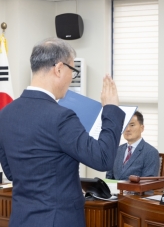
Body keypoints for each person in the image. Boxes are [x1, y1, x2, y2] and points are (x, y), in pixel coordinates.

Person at [0, 37, 125, 227]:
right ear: (58, 69)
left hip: (21, 220)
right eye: (72, 71)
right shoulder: (61, 117)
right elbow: (103, 158)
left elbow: (10, 172)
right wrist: (110, 109)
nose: (71, 78)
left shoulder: (5, 113)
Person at [106, 111, 159, 180]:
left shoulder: (151, 152)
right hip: (115, 190)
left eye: (132, 125)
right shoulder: (116, 150)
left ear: (142, 128)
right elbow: (109, 178)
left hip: (136, 190)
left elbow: (148, 182)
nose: (127, 129)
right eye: (125, 125)